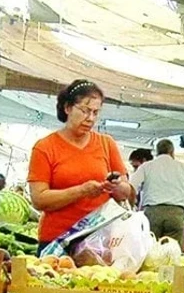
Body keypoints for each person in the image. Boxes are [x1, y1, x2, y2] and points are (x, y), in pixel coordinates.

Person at [27, 79, 135, 247]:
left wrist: (116, 186)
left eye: (95, 112)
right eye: (85, 111)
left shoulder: (107, 144)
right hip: (57, 240)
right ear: (67, 108)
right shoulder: (45, 147)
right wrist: (81, 191)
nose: (90, 118)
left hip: (100, 240)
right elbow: (39, 200)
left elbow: (125, 192)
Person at [131, 139, 184, 242]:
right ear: (172, 152)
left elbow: (131, 186)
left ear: (157, 152)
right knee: (174, 253)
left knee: (151, 251)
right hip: (175, 214)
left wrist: (133, 205)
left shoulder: (146, 166)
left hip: (152, 214)